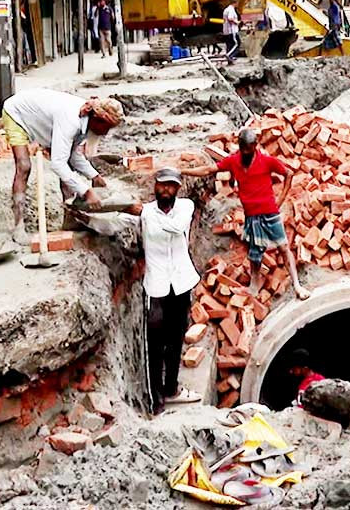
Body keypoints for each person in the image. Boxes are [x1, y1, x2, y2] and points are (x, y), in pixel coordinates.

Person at [182, 128, 311, 300]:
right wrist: (183, 172)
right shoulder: (234, 161)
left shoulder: (267, 161)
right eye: (242, 148)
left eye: (248, 149)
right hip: (252, 216)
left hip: (270, 214)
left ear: (255, 146)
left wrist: (280, 200)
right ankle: (254, 286)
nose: (245, 152)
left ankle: (297, 285)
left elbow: (288, 173)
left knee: (283, 247)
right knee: (255, 253)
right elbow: (209, 170)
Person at [119, 167, 203, 415]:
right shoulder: (144, 212)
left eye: (171, 186)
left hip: (180, 284)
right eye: (162, 185)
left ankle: (171, 388)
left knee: (176, 339)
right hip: (155, 288)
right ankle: (156, 400)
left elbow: (177, 228)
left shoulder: (184, 207)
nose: (166, 190)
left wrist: (144, 213)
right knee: (154, 346)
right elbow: (115, 222)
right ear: (155, 186)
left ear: (178, 188)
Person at [0, 89, 124, 242]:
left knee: (68, 171)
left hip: (44, 120)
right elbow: (58, 164)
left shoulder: (85, 122)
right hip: (17, 113)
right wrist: (86, 192)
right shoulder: (71, 121)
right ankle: (18, 226)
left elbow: (73, 155)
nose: (105, 133)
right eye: (106, 127)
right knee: (24, 166)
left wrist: (94, 176)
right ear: (98, 120)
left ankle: (70, 220)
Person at [222, 0, 241, 64]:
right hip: (232, 31)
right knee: (237, 44)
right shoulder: (231, 10)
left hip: (226, 31)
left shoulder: (226, 10)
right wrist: (237, 22)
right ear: (235, 3)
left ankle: (229, 60)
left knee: (229, 45)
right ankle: (230, 55)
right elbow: (230, 18)